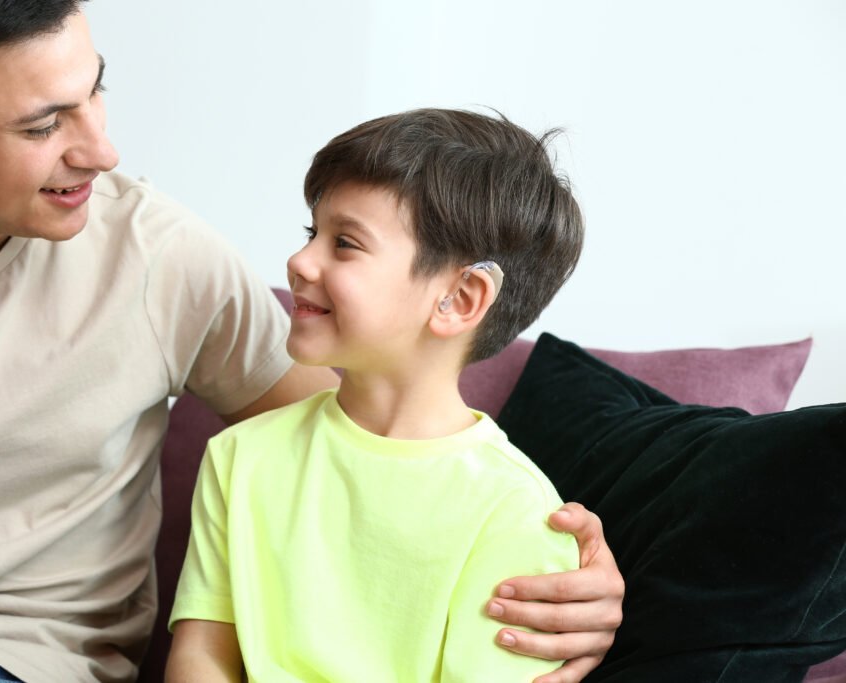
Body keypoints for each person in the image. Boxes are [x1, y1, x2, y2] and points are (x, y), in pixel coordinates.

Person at [0, 1, 622, 681]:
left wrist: (572, 560)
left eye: (95, 91)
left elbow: (373, 435)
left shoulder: (159, 258)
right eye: (43, 125)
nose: (102, 150)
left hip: (15, 658)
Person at [165, 108, 592, 681]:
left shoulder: (514, 510)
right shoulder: (240, 457)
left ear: (460, 298)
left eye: (344, 243)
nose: (299, 261)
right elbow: (203, 656)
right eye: (311, 233)